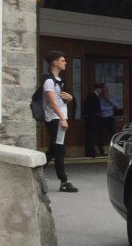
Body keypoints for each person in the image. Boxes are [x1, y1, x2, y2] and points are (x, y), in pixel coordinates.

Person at [42, 51, 78, 193]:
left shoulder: (58, 79)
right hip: (55, 119)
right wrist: (62, 118)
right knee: (59, 149)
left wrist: (69, 99)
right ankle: (64, 181)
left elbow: (58, 101)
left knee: (54, 148)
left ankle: (37, 170)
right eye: (62, 60)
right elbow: (52, 103)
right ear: (54, 62)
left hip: (59, 117)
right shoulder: (49, 81)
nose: (65, 63)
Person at [83, 83, 104, 158]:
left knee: (92, 135)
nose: (101, 90)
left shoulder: (95, 96)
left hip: (93, 118)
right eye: (100, 89)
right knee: (90, 135)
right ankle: (90, 152)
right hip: (92, 119)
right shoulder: (92, 96)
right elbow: (91, 108)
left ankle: (92, 151)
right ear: (97, 89)